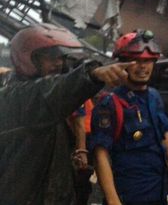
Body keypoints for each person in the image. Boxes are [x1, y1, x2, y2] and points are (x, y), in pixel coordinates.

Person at [0, 23, 136, 205]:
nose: (58, 63)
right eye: (50, 57)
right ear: (27, 58)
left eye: (60, 57)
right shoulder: (15, 97)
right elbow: (50, 92)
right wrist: (93, 74)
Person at [89, 30, 168, 205]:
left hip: (157, 191)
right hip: (128, 196)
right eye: (136, 60)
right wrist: (113, 200)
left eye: (147, 61)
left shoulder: (154, 96)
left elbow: (164, 135)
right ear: (123, 64)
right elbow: (101, 154)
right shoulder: (109, 104)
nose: (143, 66)